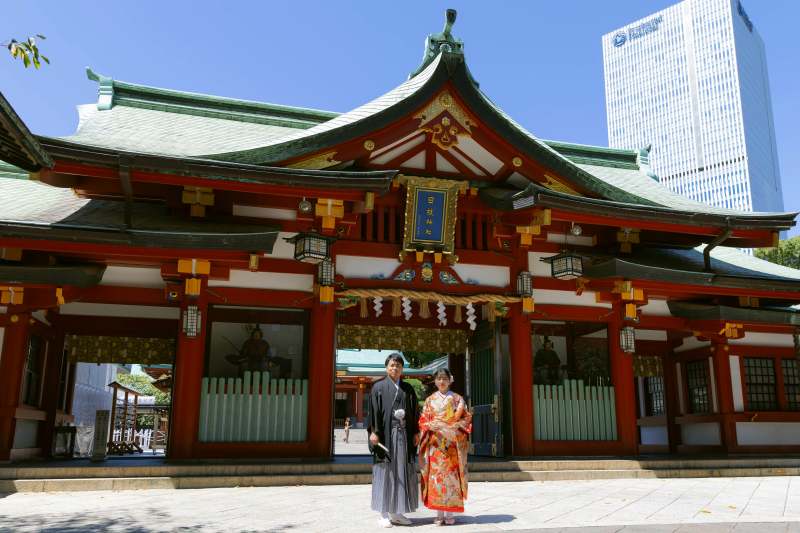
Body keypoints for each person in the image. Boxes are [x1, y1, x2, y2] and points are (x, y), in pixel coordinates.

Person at [367, 353, 420, 528]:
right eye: (392, 365)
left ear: (402, 368)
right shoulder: (378, 387)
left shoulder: (408, 389)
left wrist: (415, 432)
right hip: (385, 435)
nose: (395, 368)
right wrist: (373, 432)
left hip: (404, 434)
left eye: (398, 365)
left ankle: (397, 512)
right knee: (385, 471)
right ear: (386, 367)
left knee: (402, 471)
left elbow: (414, 412)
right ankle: (383, 513)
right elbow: (373, 412)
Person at [419, 368, 472, 526]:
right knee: (436, 479)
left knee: (451, 479)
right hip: (435, 444)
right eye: (439, 379)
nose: (441, 382)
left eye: (444, 378)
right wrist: (430, 426)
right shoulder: (430, 400)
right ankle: (439, 513)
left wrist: (456, 427)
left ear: (450, 380)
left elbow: (466, 417)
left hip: (451, 445)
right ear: (435, 381)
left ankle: (450, 513)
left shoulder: (457, 399)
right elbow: (423, 419)